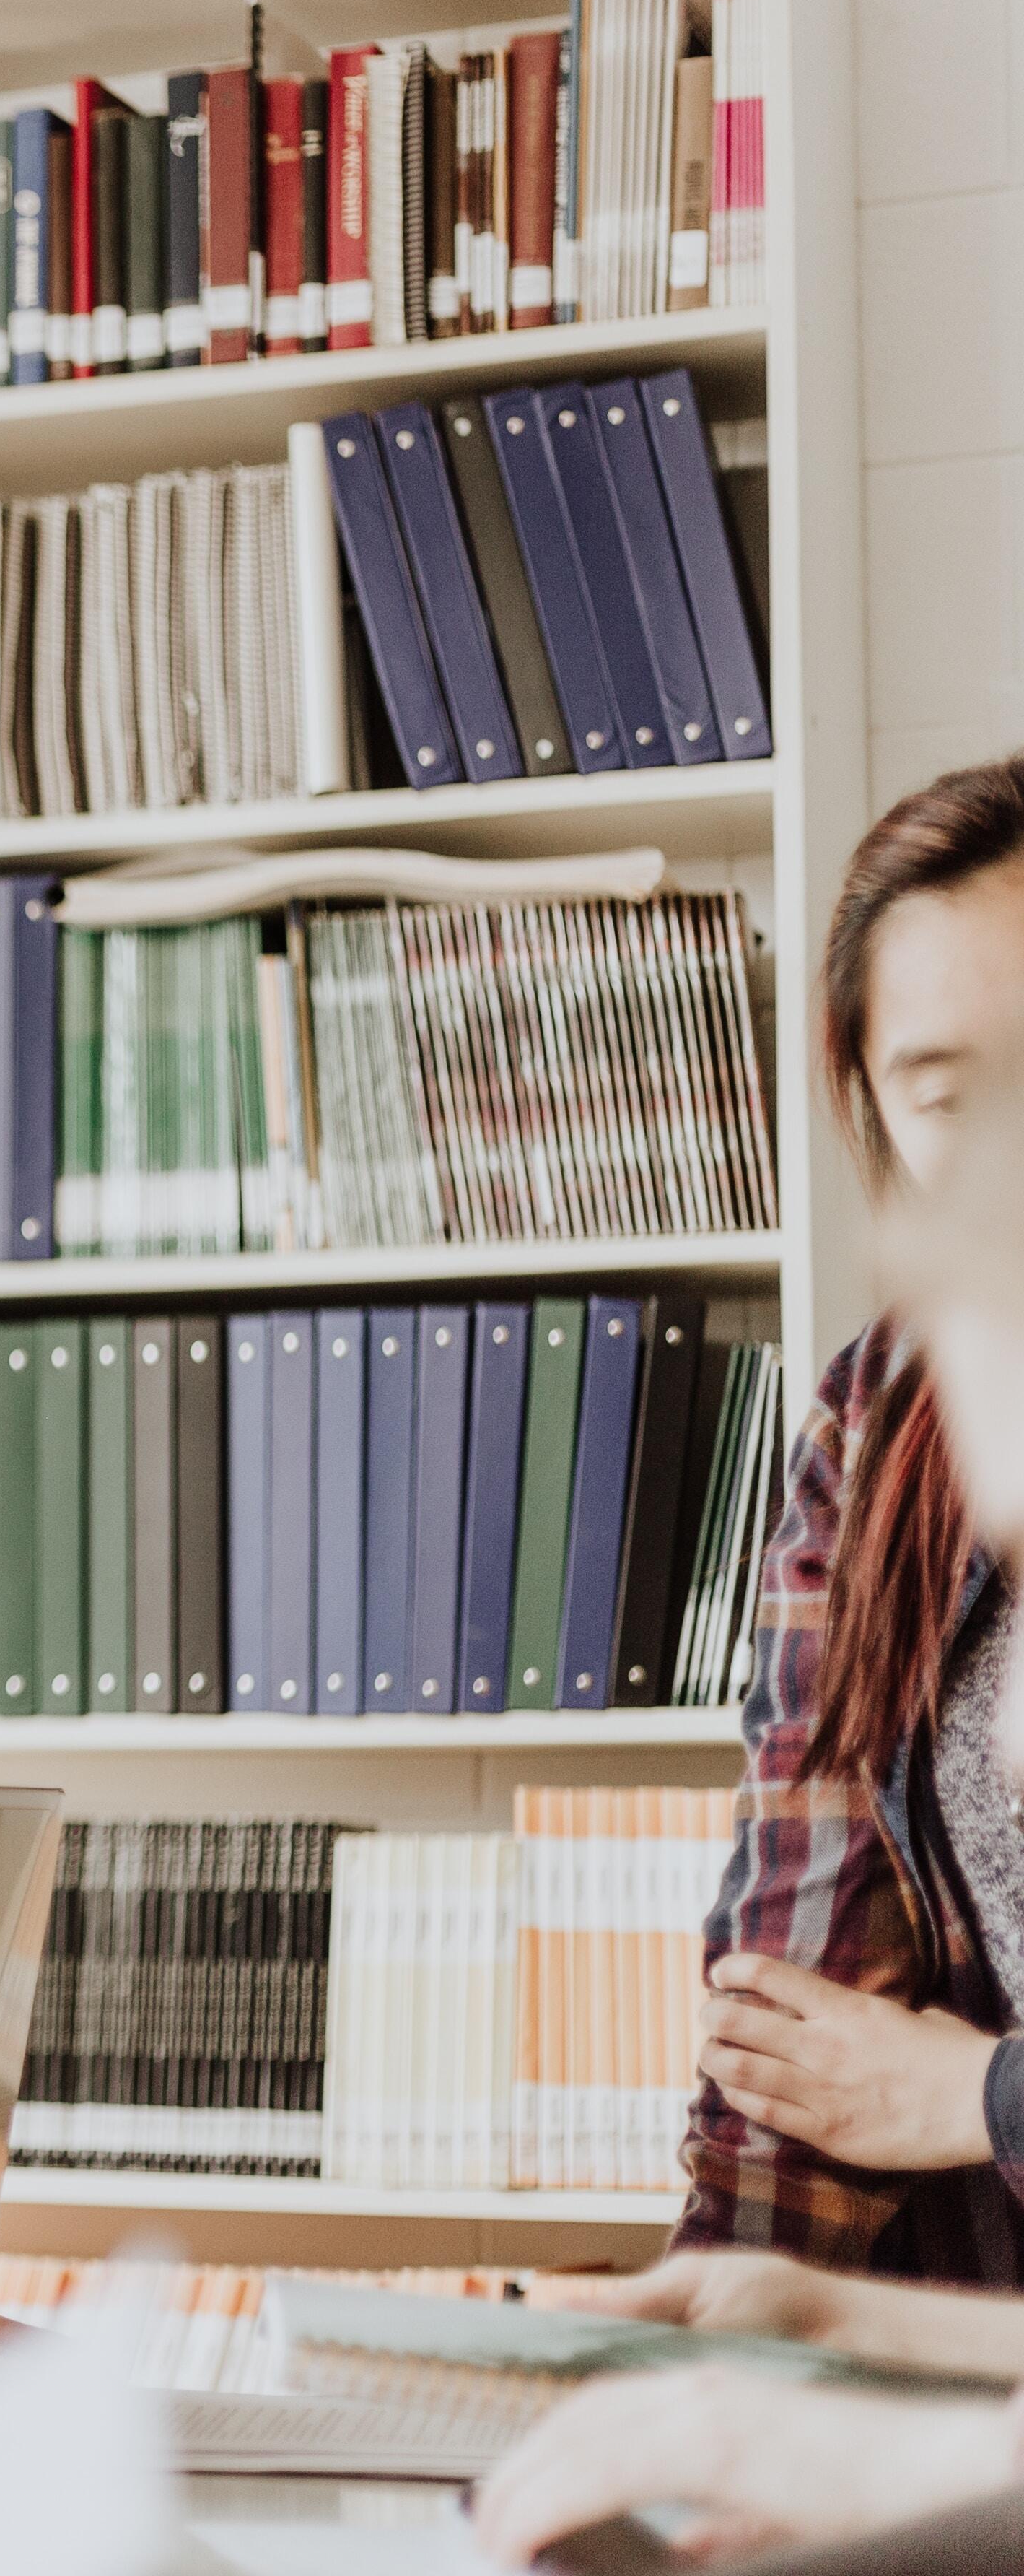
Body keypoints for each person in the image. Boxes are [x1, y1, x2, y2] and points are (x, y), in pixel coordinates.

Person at [672, 755, 1024, 2282]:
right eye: (951, 1097)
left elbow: (915, 2084)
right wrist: (712, 2317)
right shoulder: (886, 1420)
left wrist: (979, 2095)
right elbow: (798, 2010)